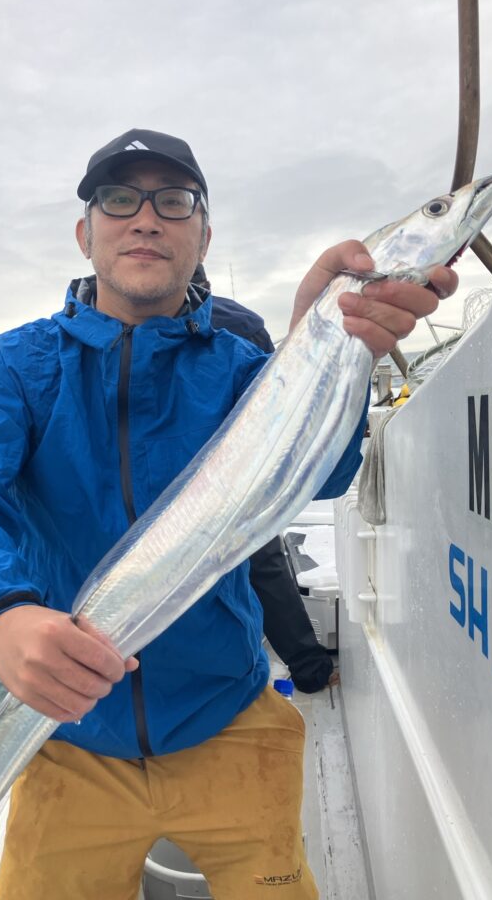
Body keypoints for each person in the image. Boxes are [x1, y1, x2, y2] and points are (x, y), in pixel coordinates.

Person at [0, 128, 456, 900]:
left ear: (203, 234)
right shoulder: (18, 365)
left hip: (230, 724)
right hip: (70, 741)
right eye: (118, 199)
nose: (145, 219)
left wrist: (327, 352)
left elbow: (324, 476)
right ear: (85, 232)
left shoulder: (240, 370)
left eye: (174, 201)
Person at [192, 262, 337, 692]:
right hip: (243, 478)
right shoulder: (243, 322)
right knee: (265, 567)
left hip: (178, 484)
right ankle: (309, 668)